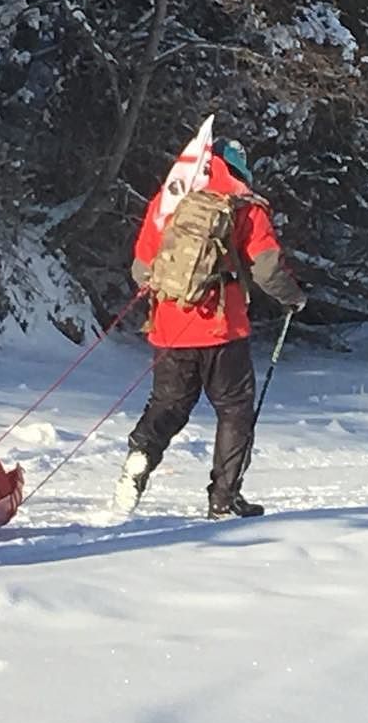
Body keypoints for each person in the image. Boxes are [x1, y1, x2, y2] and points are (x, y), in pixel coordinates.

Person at [114, 137, 306, 520]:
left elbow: (141, 270)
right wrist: (293, 297)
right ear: (240, 169)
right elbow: (266, 268)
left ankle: (141, 455)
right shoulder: (245, 207)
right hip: (223, 330)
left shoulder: (170, 199)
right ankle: (223, 498)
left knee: (168, 405)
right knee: (234, 411)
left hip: (170, 330)